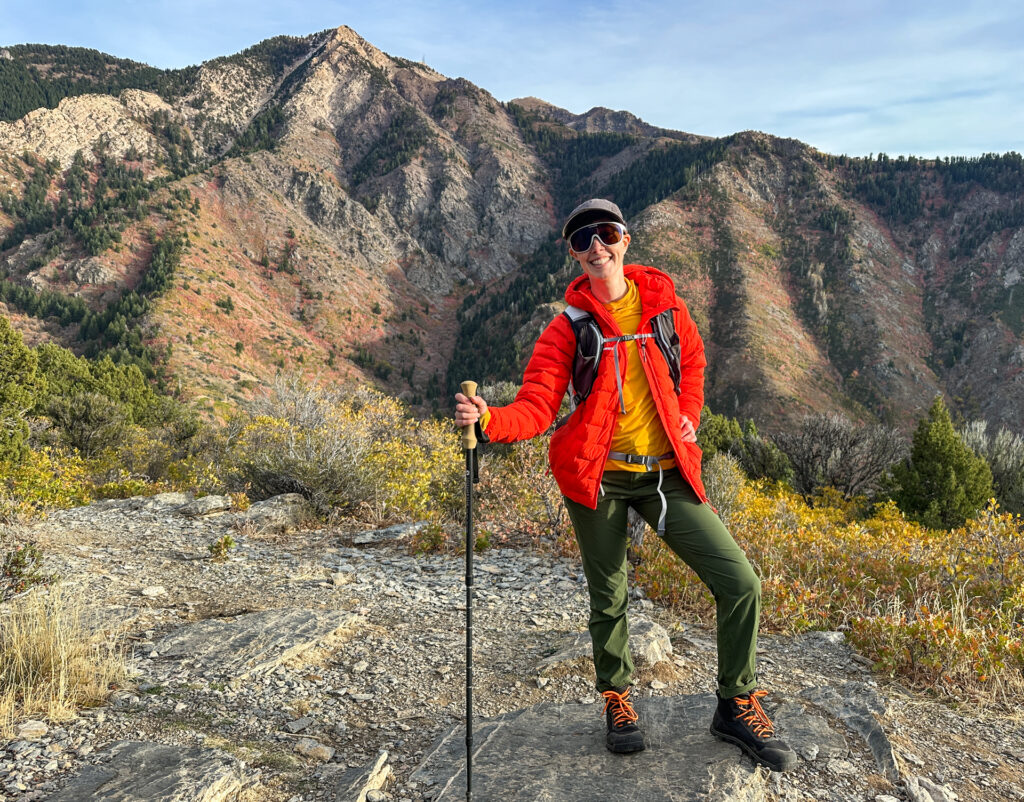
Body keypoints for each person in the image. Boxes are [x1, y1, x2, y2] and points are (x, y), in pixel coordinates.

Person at [453, 199, 797, 771]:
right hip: (598, 476)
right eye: (582, 239)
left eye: (605, 233)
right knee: (608, 597)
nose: (596, 246)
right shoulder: (566, 329)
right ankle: (618, 698)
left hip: (666, 472)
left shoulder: (666, 309)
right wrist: (489, 421)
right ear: (573, 253)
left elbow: (694, 363)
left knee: (740, 582)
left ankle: (737, 702)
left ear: (625, 239)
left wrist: (689, 408)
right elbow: (538, 406)